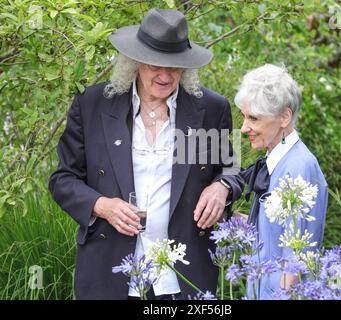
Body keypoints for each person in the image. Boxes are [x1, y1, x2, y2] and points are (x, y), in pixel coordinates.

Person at [48, 8, 243, 300]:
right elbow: (63, 179)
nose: (164, 76)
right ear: (137, 62)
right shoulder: (94, 104)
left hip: (182, 274)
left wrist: (222, 187)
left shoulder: (210, 109)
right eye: (155, 65)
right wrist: (101, 205)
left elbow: (231, 170)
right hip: (111, 272)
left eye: (174, 66)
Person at [231, 64, 328, 299]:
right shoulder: (277, 160)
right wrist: (228, 217)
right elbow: (273, 234)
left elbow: (295, 260)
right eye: (244, 116)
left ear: (284, 116)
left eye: (253, 118)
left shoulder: (299, 168)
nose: (244, 128)